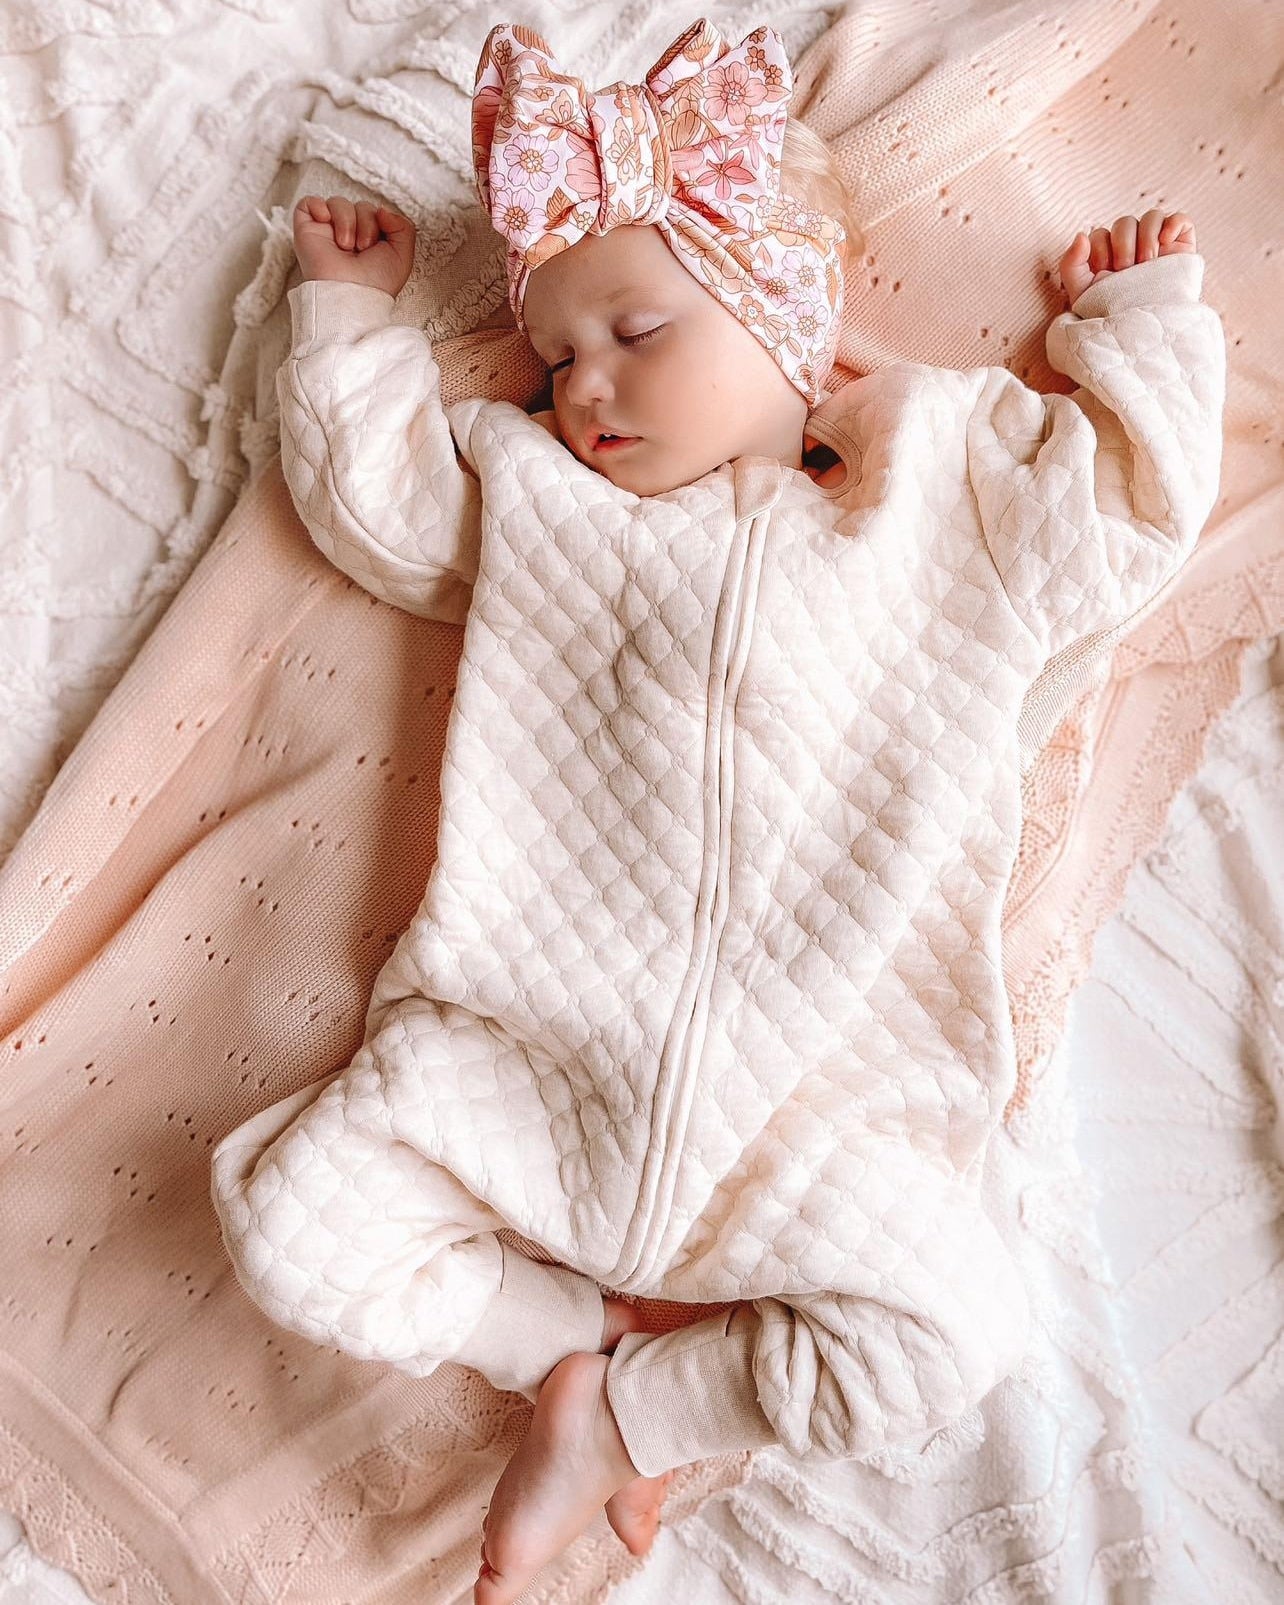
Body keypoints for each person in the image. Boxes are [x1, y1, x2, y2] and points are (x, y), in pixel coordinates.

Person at [209, 17, 1225, 1604]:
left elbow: (1128, 518)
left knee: (956, 1330)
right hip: (524, 1055)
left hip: (814, 1109)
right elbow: (382, 503)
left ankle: (627, 1418)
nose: (586, 387)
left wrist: (1142, 330)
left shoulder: (939, 502)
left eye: (636, 330)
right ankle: (570, 1342)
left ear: (786, 318)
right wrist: (345, 320)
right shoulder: (543, 502)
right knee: (291, 1221)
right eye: (558, 359)